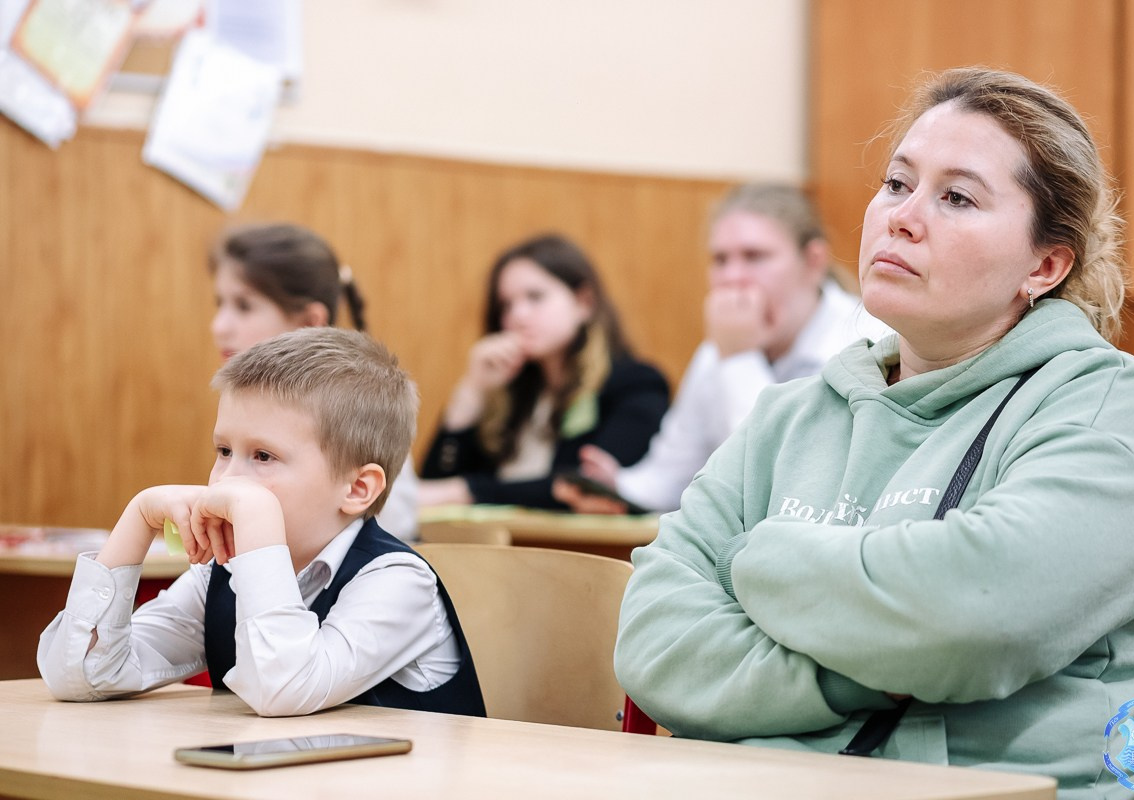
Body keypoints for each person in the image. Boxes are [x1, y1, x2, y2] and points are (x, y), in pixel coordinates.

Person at [613, 68, 1134, 798]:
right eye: (895, 184)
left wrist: (760, 559)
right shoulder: (789, 415)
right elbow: (657, 644)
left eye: (956, 197)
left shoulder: (1109, 404)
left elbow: (976, 618)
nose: (902, 216)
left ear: (1044, 266)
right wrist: (875, 668)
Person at [38, 328, 486, 718]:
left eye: (264, 457)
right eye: (223, 451)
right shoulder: (222, 574)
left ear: (356, 489)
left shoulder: (398, 582)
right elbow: (82, 676)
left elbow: (285, 689)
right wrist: (138, 518)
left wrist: (255, 517)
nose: (229, 480)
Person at [553, 183, 889, 515]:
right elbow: (673, 475)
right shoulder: (718, 350)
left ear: (813, 262)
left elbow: (787, 486)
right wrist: (619, 486)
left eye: (754, 257)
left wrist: (740, 358)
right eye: (720, 260)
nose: (732, 278)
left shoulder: (866, 342)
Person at [419, 233, 669, 509]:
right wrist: (472, 392)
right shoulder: (512, 393)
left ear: (584, 302)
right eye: (506, 305)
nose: (517, 316)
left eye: (535, 297)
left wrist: (467, 492)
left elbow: (585, 486)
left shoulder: (635, 383)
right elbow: (432, 483)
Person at [209, 223, 420, 541]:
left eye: (244, 306)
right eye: (224, 451)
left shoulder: (356, 409)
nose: (219, 326)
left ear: (309, 322)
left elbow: (396, 529)